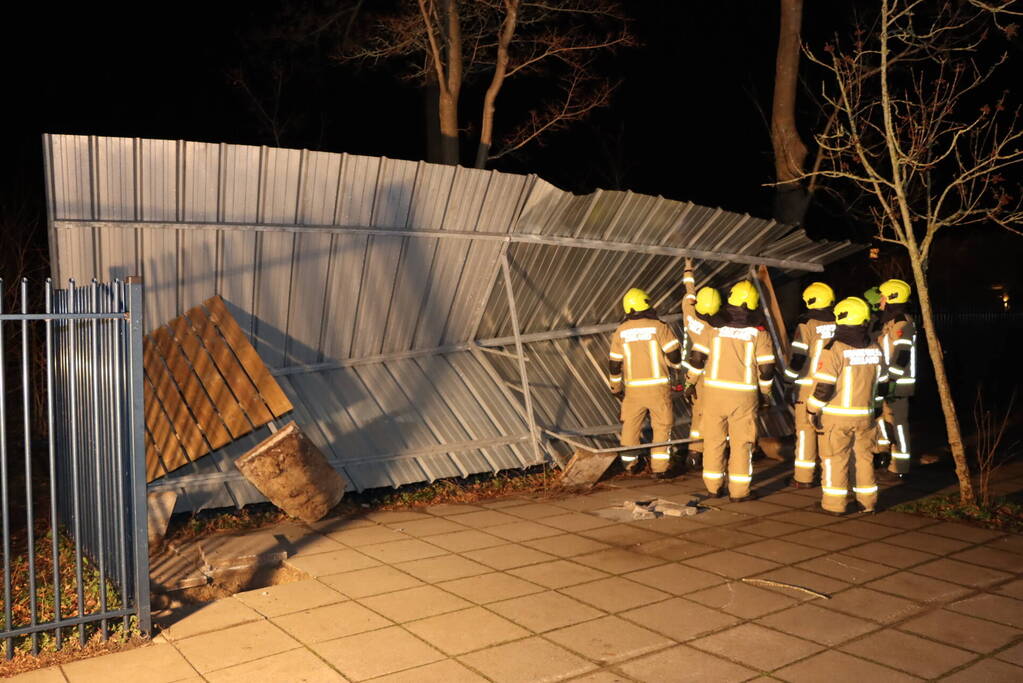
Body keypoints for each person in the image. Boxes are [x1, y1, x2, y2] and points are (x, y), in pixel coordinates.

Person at [684, 280, 775, 501]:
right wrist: (765, 394)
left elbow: (697, 358)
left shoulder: (714, 328)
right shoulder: (758, 334)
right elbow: (766, 369)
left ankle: (714, 488)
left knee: (713, 441)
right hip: (743, 397)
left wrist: (689, 383)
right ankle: (739, 492)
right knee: (741, 444)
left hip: (714, 394)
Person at [805, 297, 888, 515]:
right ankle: (867, 503)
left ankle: (834, 505)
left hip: (837, 418)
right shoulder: (874, 347)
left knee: (835, 460)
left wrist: (811, 410)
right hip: (865, 417)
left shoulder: (834, 348)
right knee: (864, 459)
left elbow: (824, 388)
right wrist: (876, 409)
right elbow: (883, 384)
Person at [609, 288, 684, 477]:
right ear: (646, 304)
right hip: (657, 388)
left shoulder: (621, 331)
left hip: (634, 390)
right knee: (662, 426)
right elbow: (674, 354)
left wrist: (616, 388)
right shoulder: (658, 326)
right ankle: (660, 469)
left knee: (630, 426)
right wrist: (675, 367)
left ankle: (630, 464)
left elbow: (614, 365)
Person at [784, 282, 836, 488]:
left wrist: (788, 380)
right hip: (831, 386)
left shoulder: (806, 324)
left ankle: (803, 477)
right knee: (826, 431)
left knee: (805, 430)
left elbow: (798, 357)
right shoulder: (841, 321)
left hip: (808, 385)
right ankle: (830, 477)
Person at [679, 259, 724, 471]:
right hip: (710, 375)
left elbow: (689, 289)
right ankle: (711, 452)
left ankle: (694, 453)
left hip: (694, 375)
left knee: (698, 413)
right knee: (714, 414)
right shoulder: (712, 329)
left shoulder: (688, 312)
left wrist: (689, 269)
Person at [876, 278, 917, 478]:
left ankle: (900, 468)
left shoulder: (902, 323)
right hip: (888, 382)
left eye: (883, 295)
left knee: (898, 425)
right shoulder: (890, 321)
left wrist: (891, 380)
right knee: (885, 421)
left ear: (892, 297)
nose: (880, 299)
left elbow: (902, 355)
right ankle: (884, 457)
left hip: (898, 385)